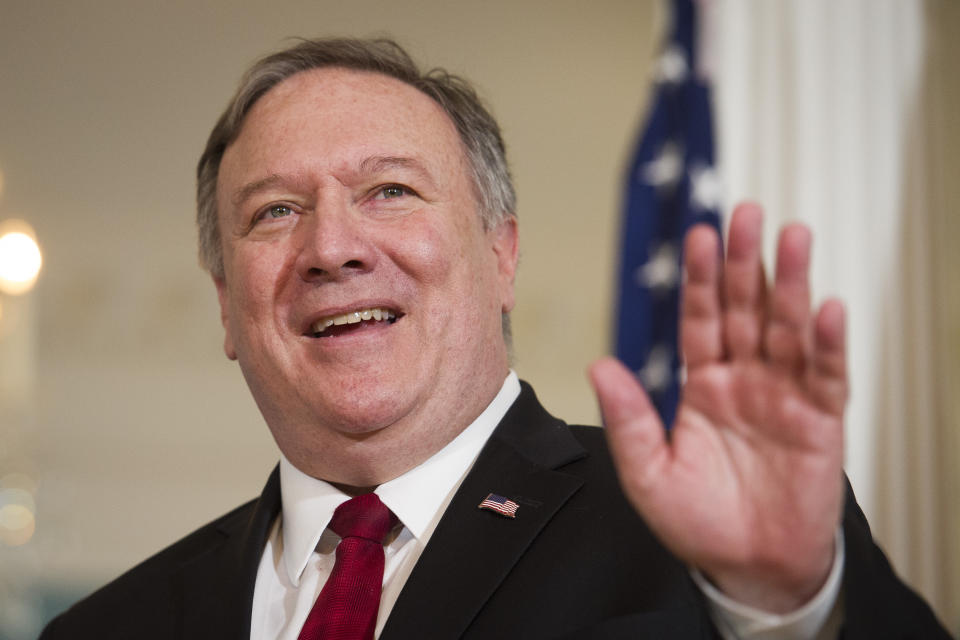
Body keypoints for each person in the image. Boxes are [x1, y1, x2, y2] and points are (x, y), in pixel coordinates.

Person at [40, 37, 948, 639]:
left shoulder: (699, 544)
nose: (332, 248)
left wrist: (795, 612)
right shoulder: (108, 627)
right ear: (226, 305)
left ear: (501, 251)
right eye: (275, 211)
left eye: (390, 190)